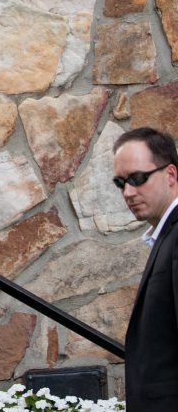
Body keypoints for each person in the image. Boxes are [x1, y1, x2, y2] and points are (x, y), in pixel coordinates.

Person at [112, 127, 178, 411]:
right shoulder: (166, 236)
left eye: (138, 178)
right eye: (120, 182)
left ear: (171, 175)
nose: (128, 192)